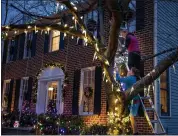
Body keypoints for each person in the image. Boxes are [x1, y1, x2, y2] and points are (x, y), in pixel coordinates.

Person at [116, 67, 140, 135]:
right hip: (134, 101)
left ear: (132, 73)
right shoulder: (133, 78)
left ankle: (135, 133)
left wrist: (117, 72)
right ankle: (136, 132)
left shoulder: (130, 78)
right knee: (132, 117)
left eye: (130, 70)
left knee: (132, 118)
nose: (128, 71)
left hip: (134, 101)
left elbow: (119, 79)